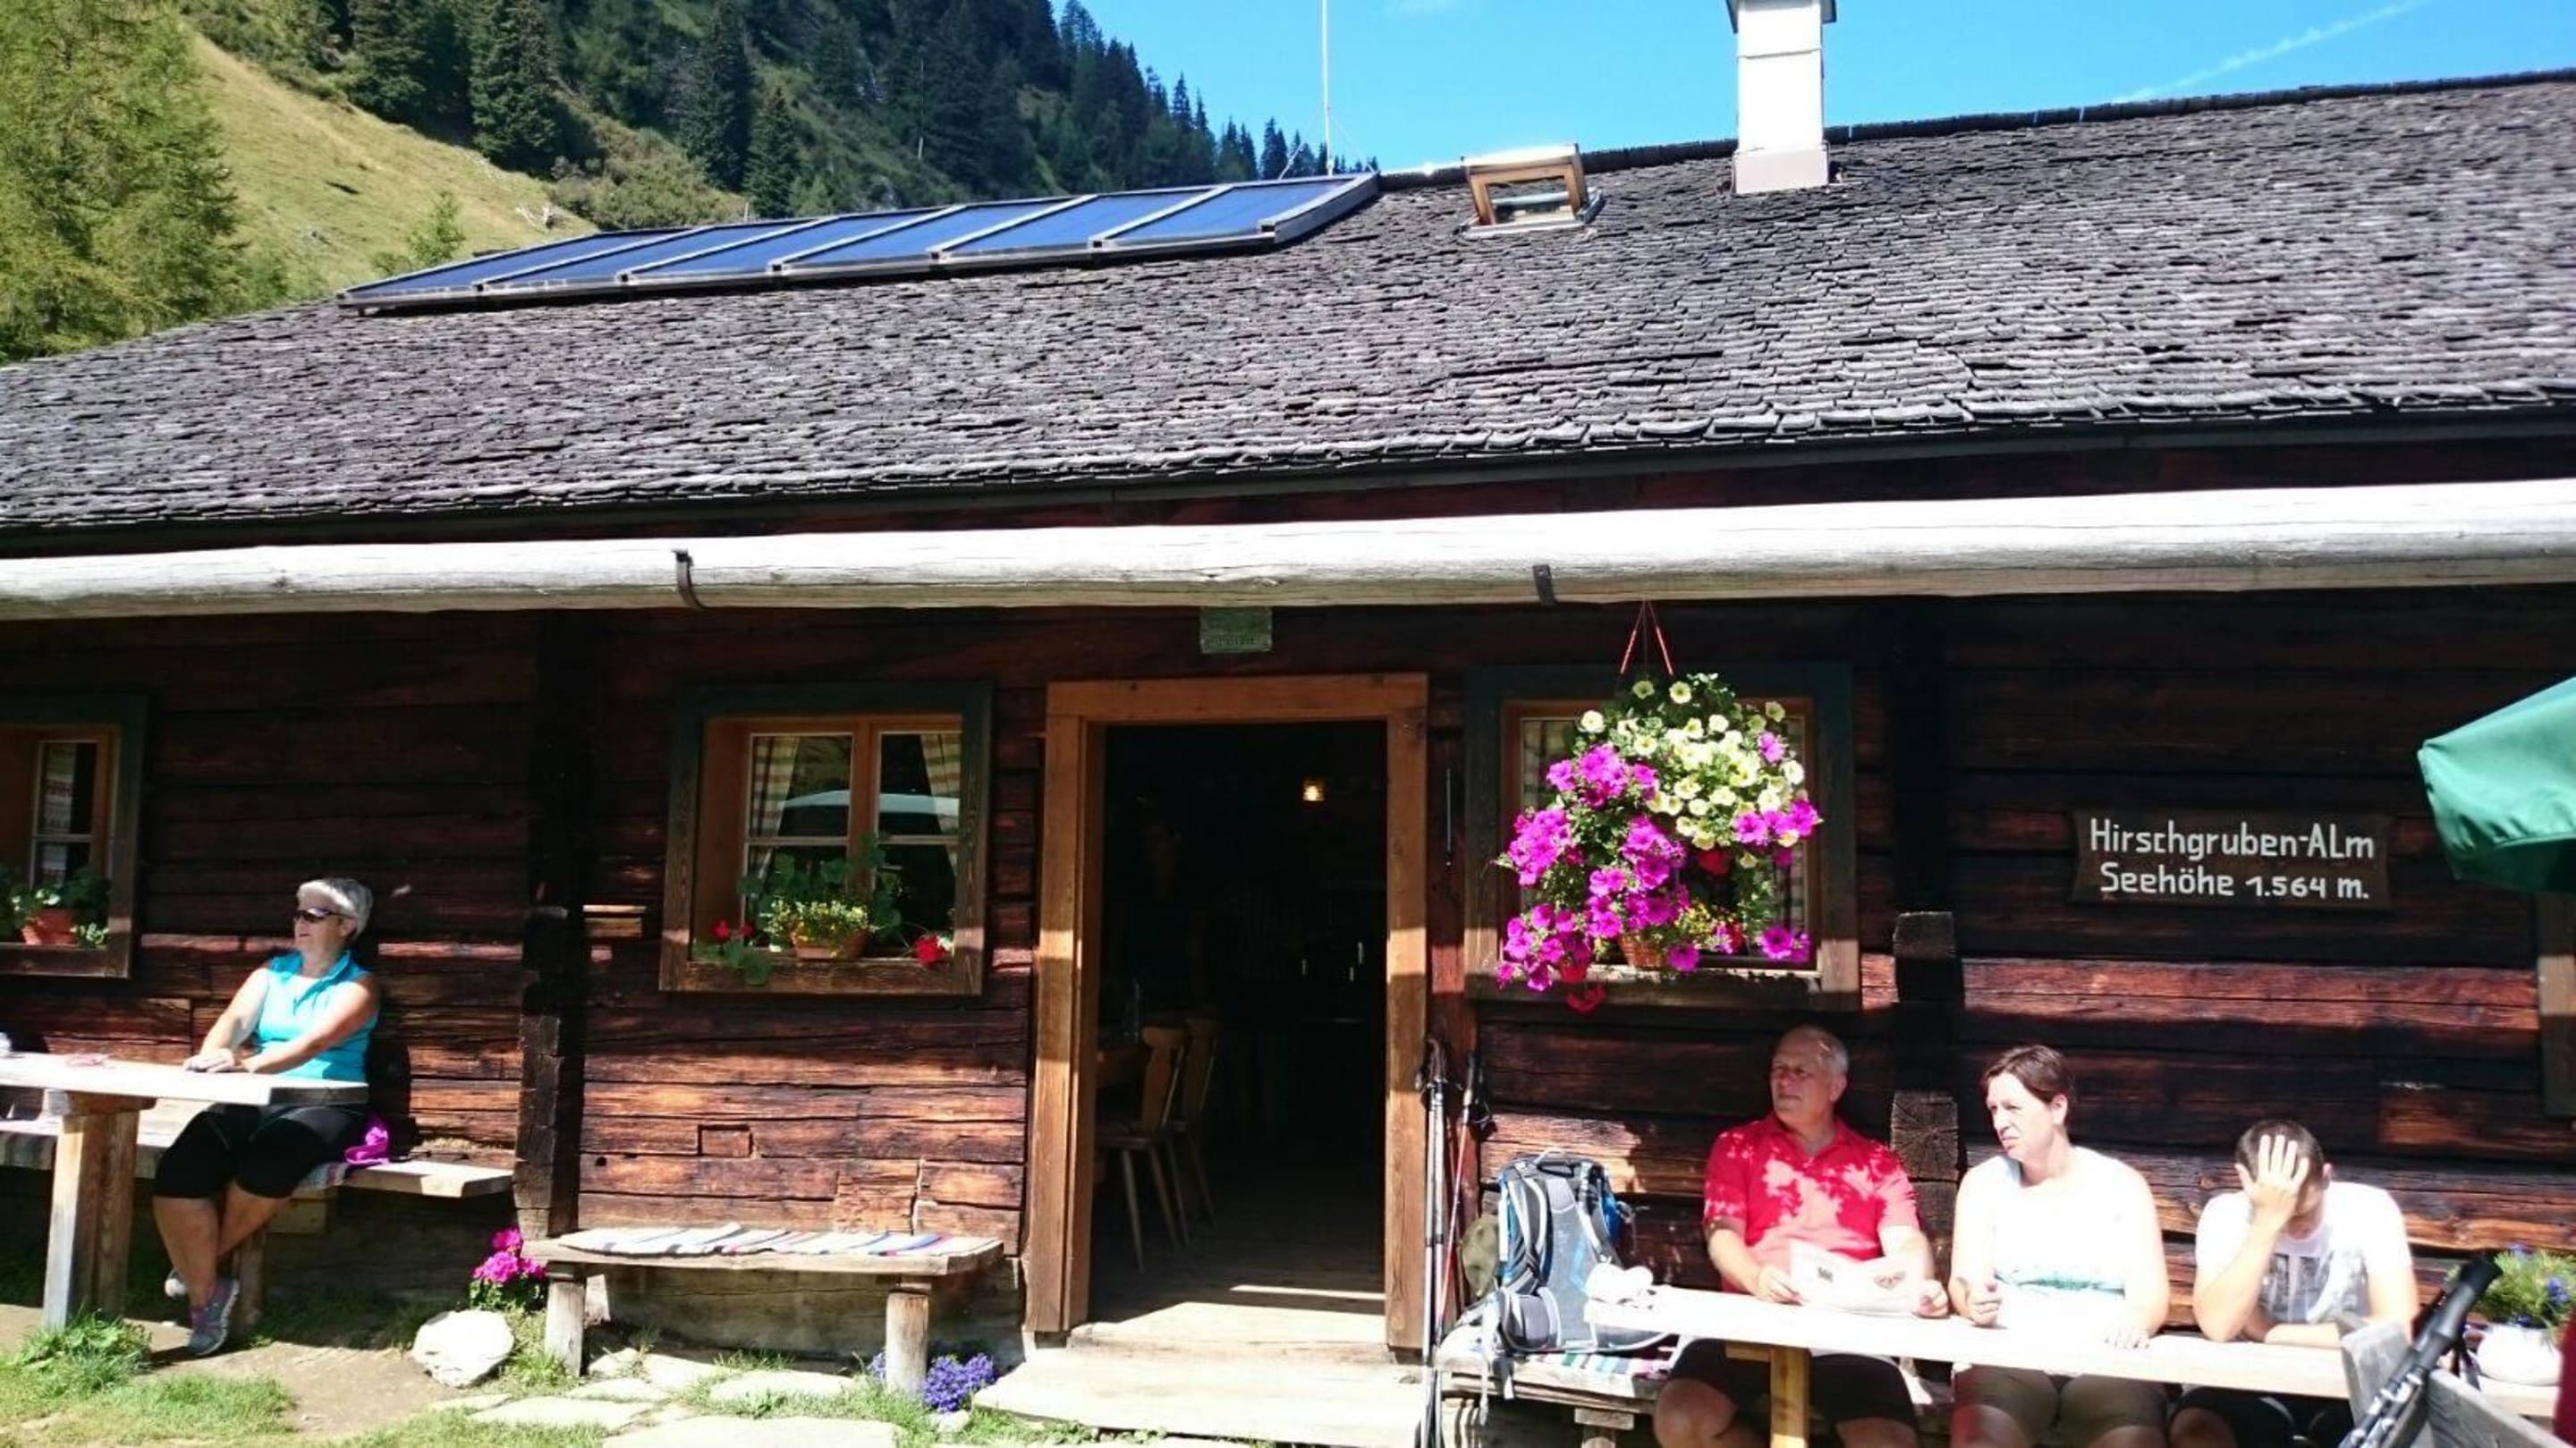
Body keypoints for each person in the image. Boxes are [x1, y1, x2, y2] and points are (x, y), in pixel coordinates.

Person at [1654, 1026, 1948, 1448]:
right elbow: (1722, 1235)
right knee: (1681, 1421)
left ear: (1836, 1087)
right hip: (1750, 1319)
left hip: (1848, 1334)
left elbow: (1907, 1242)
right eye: (1778, 1069)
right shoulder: (1738, 1146)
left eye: (1800, 1072)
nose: (1784, 1080)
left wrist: (1919, 1285)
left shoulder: (1875, 1162)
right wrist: (1756, 1279)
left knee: (1890, 1444)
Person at [151, 878, 380, 1357]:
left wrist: (246, 1065)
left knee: (268, 1163)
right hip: (254, 1092)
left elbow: (314, 1042)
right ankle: (207, 1291)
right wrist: (215, 1057)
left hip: (328, 1101)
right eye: (297, 913)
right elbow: (230, 1026)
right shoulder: (270, 975)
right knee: (180, 1168)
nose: (300, 922)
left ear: (347, 926)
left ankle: (197, 1274)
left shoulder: (359, 986)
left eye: (314, 915)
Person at [1949, 1044, 2171, 1448]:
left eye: (2013, 1108)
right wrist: (1972, 1301)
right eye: (1993, 1109)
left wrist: (2136, 1322)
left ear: (2057, 1108)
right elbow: (1964, 1281)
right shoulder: (1983, 1184)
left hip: (2104, 1360)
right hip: (2011, 1355)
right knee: (1980, 1440)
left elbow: (2152, 1298)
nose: (2000, 1122)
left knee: (2132, 1442)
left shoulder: (2122, 1185)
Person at [2172, 1120, 2415, 1448]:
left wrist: (2267, 1332)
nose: (2295, 1229)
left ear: (2327, 1177)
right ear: (2248, 1187)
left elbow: (2397, 1327)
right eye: (2284, 1215)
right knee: (2197, 1434)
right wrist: (2266, 1223)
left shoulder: (2369, 1209)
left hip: (2344, 1383)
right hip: (2247, 1380)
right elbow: (2218, 1326)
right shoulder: (2227, 1214)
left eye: (2303, 1213)